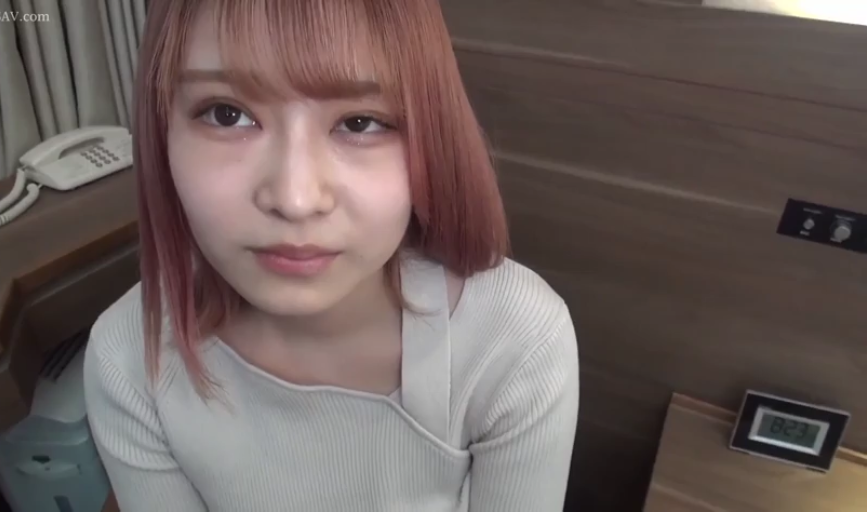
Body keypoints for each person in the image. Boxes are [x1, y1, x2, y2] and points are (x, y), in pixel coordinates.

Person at [83, 0, 579, 511]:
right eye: (227, 114)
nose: (296, 199)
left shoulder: (512, 342)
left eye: (361, 122)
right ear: (161, 132)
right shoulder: (129, 360)